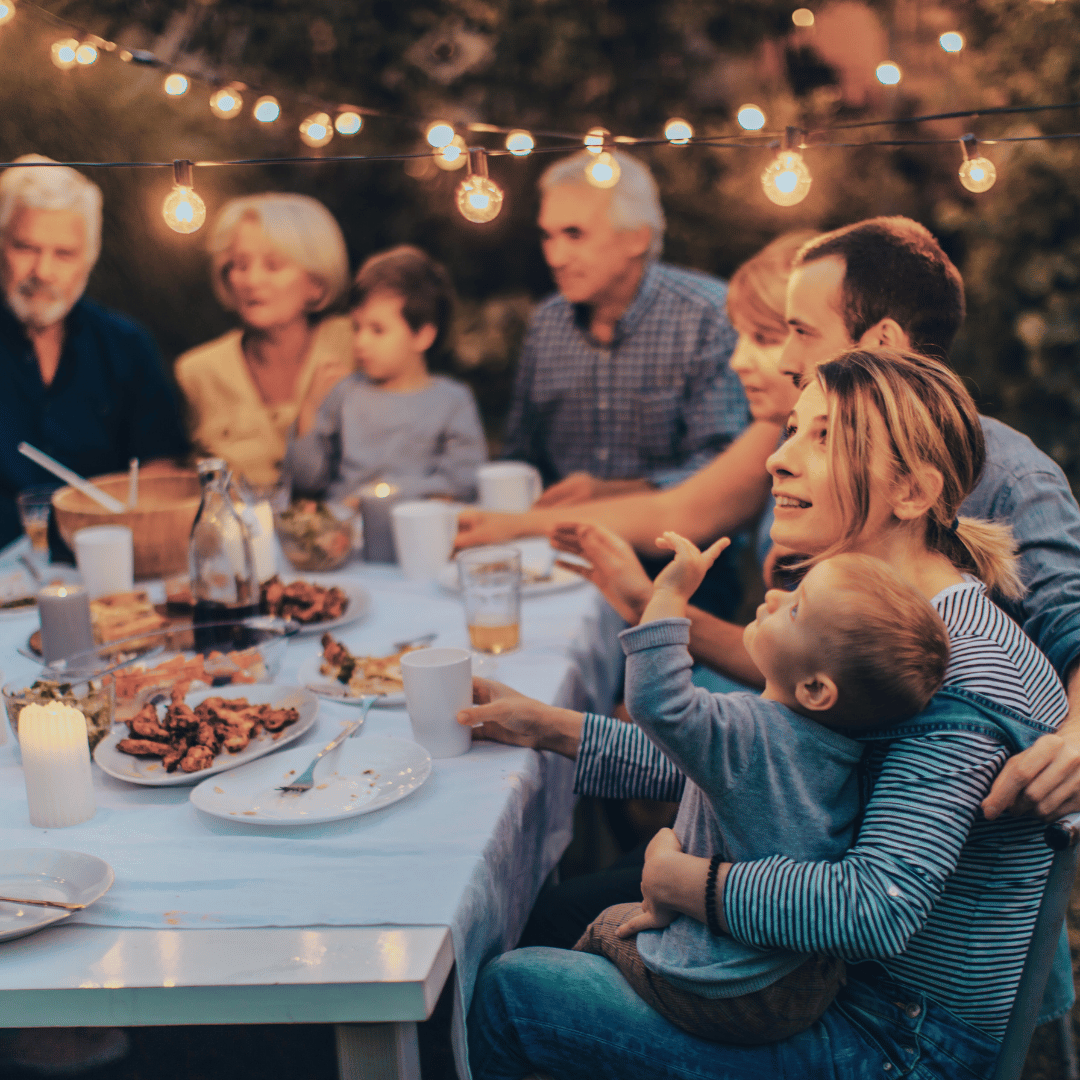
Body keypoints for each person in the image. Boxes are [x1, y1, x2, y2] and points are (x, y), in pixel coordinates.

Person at [463, 349, 1069, 1079]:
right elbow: (753, 757)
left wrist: (688, 884)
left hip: (895, 1041)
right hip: (822, 986)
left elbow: (876, 906)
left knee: (514, 995)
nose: (778, 459)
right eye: (792, 430)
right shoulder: (876, 627)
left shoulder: (954, 671)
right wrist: (547, 727)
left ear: (911, 491)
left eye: (824, 438)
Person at [460, 215, 1080, 826]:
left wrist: (707, 891)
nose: (782, 358)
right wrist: (550, 725)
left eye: (797, 331)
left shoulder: (1001, 507)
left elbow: (876, 900)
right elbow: (776, 752)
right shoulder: (835, 494)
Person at [574, 539, 949, 1045]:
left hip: (723, 988)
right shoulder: (845, 751)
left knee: (601, 929)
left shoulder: (747, 732)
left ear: (816, 689)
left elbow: (657, 701)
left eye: (795, 609)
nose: (774, 598)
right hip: (802, 983)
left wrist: (666, 595)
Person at [500, 149, 750, 509]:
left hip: (681, 552)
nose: (555, 257)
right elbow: (521, 455)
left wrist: (611, 496)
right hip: (560, 549)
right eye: (548, 236)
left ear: (637, 239)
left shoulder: (707, 314)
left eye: (574, 234)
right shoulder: (547, 322)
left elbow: (725, 466)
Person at [0, 155, 189, 549]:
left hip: (110, 562)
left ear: (89, 258)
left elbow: (160, 467)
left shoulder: (126, 344)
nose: (43, 271)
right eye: (25, 247)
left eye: (64, 254)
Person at [174, 193, 352, 488]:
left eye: (273, 265)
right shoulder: (197, 372)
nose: (252, 281)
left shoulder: (355, 343)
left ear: (316, 283)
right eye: (240, 265)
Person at [283, 245, 487, 501]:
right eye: (357, 328)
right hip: (345, 530)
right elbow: (306, 480)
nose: (360, 342)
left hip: (417, 527)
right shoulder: (344, 393)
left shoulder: (452, 401)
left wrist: (385, 496)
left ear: (422, 335)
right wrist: (309, 410)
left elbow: (463, 482)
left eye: (377, 330)